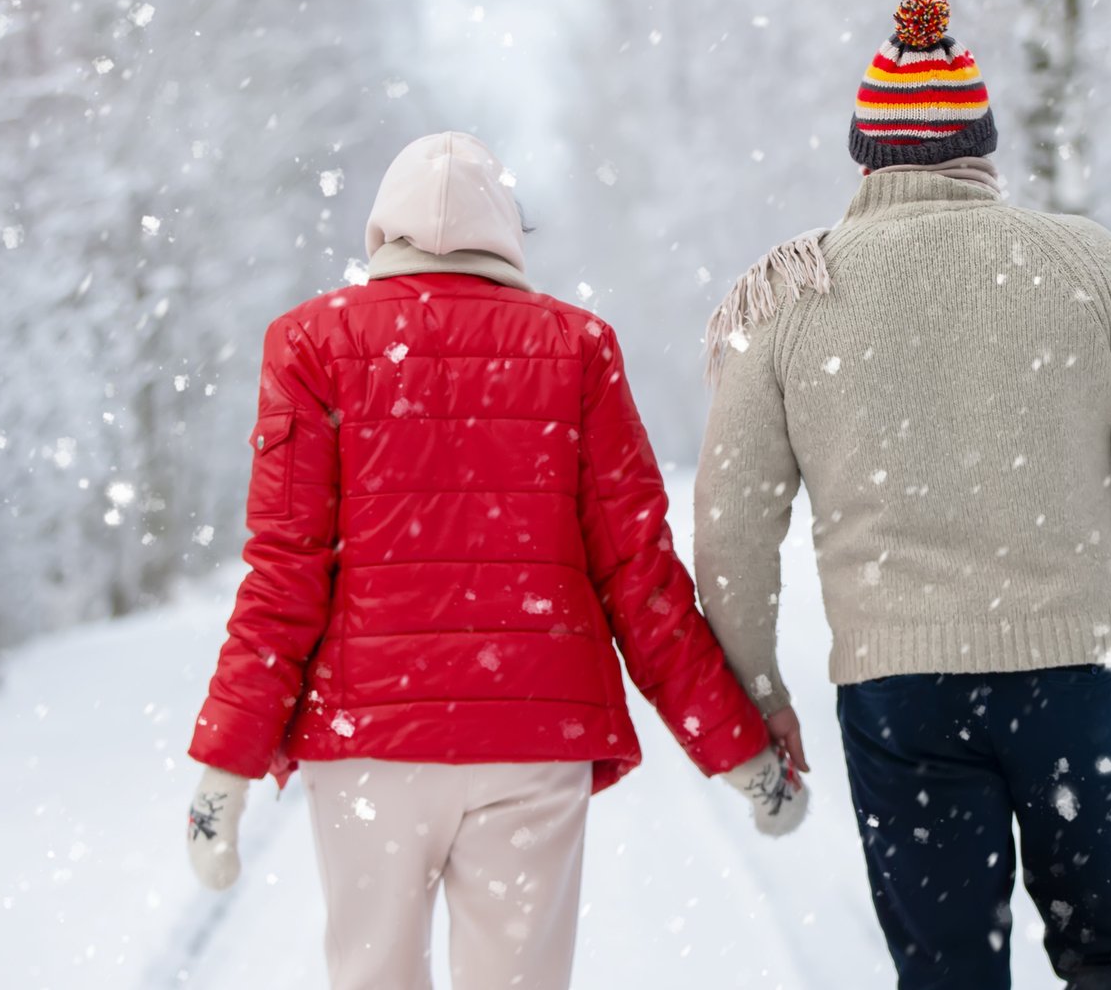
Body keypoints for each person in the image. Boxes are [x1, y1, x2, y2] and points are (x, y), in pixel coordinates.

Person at [693, 0, 1111, 990]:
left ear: (866, 156)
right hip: (1082, 676)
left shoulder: (788, 299)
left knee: (948, 974)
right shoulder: (1087, 263)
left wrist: (761, 695)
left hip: (904, 695)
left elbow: (731, 534)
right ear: (983, 148)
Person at [181, 131, 808, 990]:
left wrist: (226, 765)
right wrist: (742, 754)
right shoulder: (577, 347)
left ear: (382, 234)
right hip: (530, 742)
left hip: (369, 746)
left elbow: (285, 574)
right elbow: (639, 576)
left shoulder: (311, 345)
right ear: (508, 237)